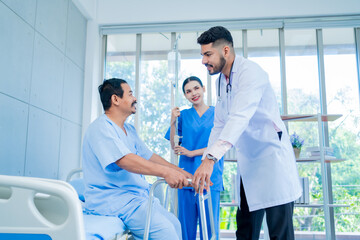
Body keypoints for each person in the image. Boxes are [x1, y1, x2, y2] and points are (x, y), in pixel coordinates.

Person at [192, 26, 302, 240]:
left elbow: (239, 118)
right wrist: (206, 159)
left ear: (225, 50)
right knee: (245, 231)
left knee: (280, 234)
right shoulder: (221, 82)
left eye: (207, 54)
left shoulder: (251, 72)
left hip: (272, 162)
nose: (204, 61)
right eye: (202, 55)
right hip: (250, 165)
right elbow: (220, 124)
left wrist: (212, 158)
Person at [82, 78, 192, 240]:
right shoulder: (101, 128)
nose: (135, 98)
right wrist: (167, 173)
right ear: (115, 99)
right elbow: (125, 160)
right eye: (130, 94)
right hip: (114, 200)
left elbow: (149, 156)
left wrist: (183, 173)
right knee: (167, 232)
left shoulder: (129, 130)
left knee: (175, 224)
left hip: (135, 199)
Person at [165, 76, 224, 240]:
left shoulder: (217, 113)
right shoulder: (182, 116)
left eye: (196, 88)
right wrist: (172, 121)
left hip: (210, 177)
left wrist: (192, 153)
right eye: (188, 91)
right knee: (186, 229)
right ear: (185, 95)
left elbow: (220, 144)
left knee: (210, 230)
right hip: (186, 177)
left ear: (203, 88)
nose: (193, 93)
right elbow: (174, 145)